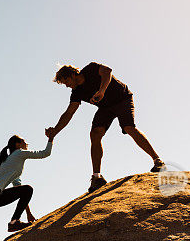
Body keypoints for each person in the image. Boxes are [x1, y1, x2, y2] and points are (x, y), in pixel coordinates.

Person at [47, 62, 164, 193]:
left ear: (73, 74)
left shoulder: (90, 69)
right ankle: (97, 177)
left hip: (122, 99)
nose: (67, 85)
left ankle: (157, 161)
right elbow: (69, 113)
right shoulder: (76, 92)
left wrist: (102, 91)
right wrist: (55, 132)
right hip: (106, 108)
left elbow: (107, 71)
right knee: (95, 134)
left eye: (66, 81)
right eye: (64, 84)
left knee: (128, 128)